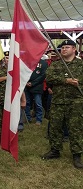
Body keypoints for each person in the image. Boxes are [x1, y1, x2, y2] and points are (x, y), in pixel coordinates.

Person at [42, 40, 83, 169]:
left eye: (67, 47)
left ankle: (77, 154)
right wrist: (66, 80)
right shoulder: (56, 64)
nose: (63, 49)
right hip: (58, 101)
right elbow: (49, 77)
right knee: (55, 126)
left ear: (74, 49)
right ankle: (55, 150)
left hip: (75, 102)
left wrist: (78, 82)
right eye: (62, 48)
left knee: (75, 128)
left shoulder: (80, 65)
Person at [24, 57, 48, 125]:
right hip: (27, 85)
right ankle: (28, 118)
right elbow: (23, 72)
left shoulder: (43, 63)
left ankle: (39, 119)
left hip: (37, 86)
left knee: (38, 103)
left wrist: (33, 83)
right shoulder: (26, 62)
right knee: (27, 103)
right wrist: (26, 82)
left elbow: (43, 75)